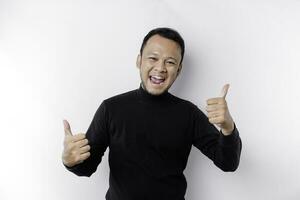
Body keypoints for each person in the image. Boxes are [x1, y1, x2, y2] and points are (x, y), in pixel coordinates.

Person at [62, 27, 242, 200]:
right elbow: (87, 168)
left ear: (178, 70)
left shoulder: (189, 114)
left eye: (170, 62)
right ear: (139, 61)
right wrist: (70, 161)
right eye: (153, 58)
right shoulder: (111, 108)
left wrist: (228, 128)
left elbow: (228, 163)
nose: (160, 68)